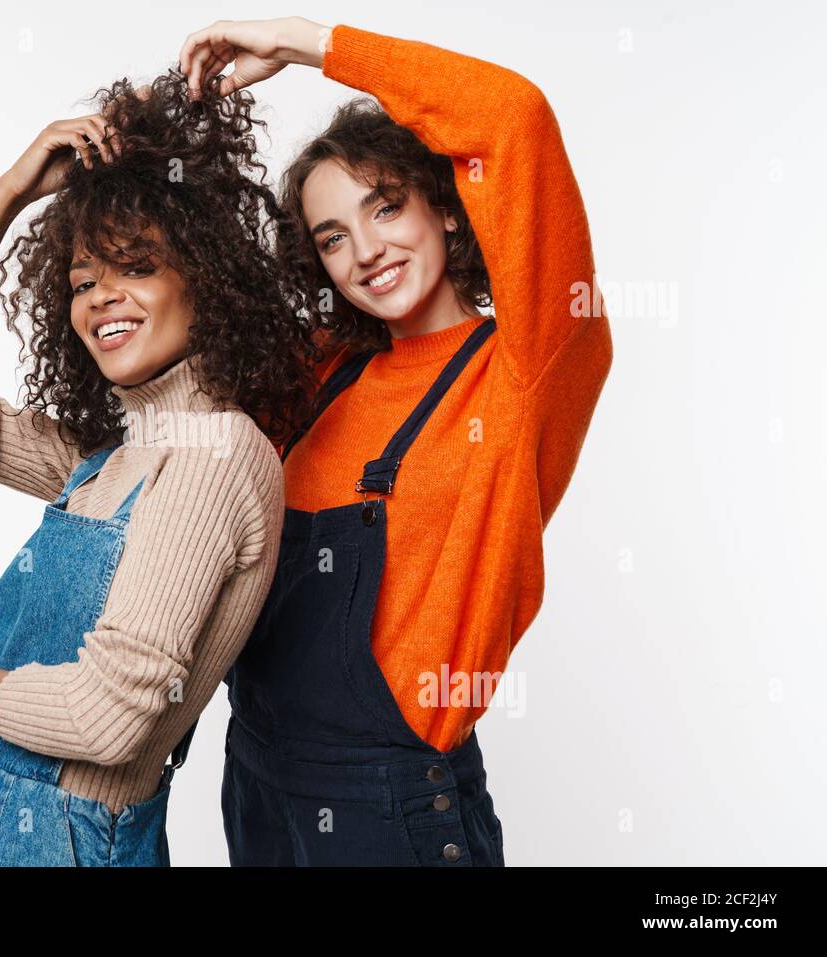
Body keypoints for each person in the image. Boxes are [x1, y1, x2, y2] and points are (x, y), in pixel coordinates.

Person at [177, 17, 614, 866]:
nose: (366, 251)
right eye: (332, 237)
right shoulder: (319, 374)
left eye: (386, 207)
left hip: (389, 806)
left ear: (446, 209)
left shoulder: (529, 369)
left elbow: (513, 117)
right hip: (259, 776)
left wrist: (308, 43)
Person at [0, 68, 316, 866]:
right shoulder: (108, 462)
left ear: (206, 280)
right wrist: (6, 195)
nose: (102, 298)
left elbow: (108, 719)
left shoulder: (217, 458)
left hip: (65, 840)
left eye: (136, 266)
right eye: (83, 281)